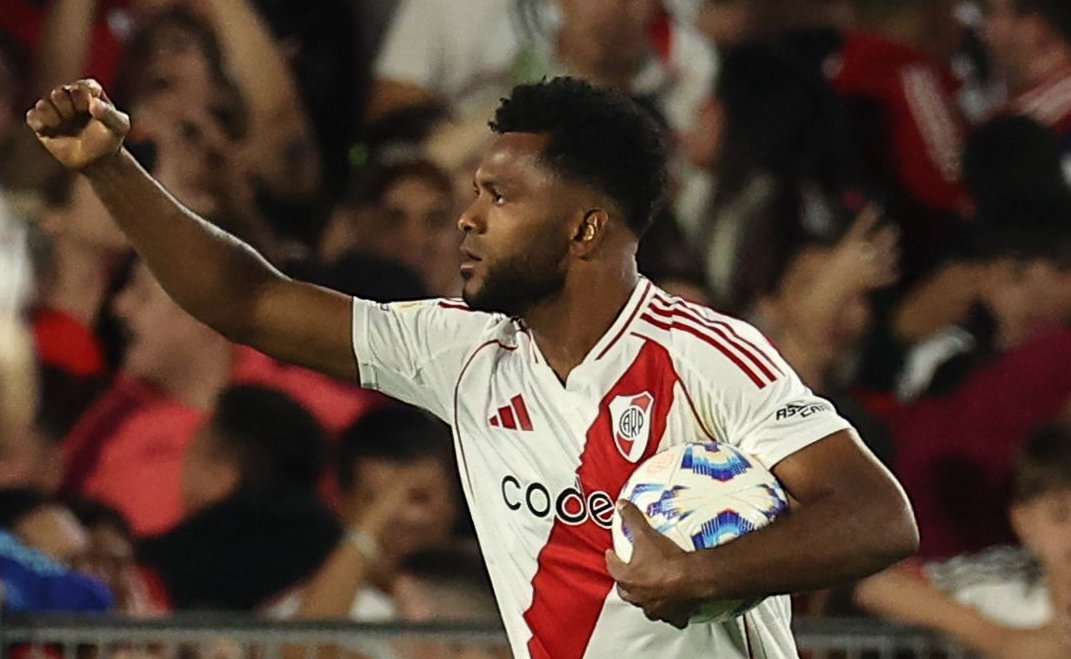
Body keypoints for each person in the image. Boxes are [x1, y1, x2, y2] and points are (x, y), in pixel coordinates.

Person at [25, 75, 917, 658]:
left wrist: (702, 575)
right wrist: (112, 168)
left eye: (499, 196)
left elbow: (879, 516)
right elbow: (246, 301)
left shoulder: (700, 356)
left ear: (584, 228)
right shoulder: (460, 349)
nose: (468, 217)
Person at [854, 421, 1071, 659]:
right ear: (1022, 521)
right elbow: (875, 585)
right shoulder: (1002, 578)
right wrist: (1003, 641)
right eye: (1060, 516)